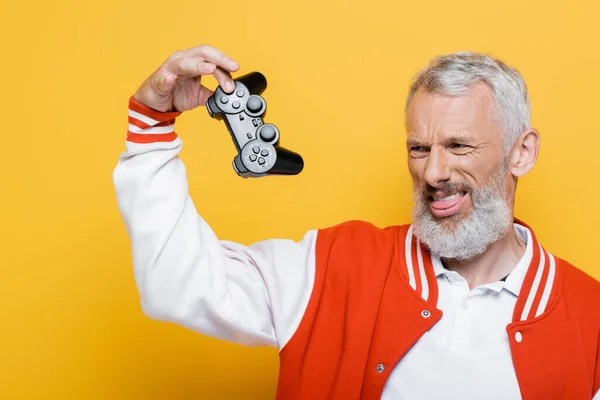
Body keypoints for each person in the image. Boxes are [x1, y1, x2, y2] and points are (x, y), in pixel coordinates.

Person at [113, 44, 600, 399]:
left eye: (458, 146)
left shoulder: (590, 319)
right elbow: (176, 284)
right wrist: (151, 124)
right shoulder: (332, 267)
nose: (432, 172)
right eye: (418, 149)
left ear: (522, 151)